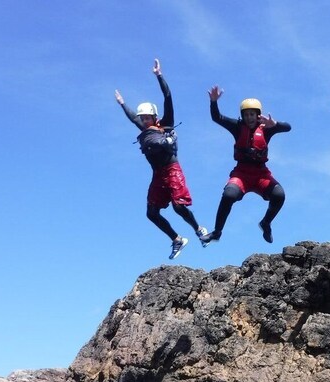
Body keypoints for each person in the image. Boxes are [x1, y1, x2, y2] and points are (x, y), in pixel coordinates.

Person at [115, 59, 208, 260]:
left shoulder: (165, 124)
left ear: (154, 117)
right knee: (151, 213)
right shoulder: (145, 130)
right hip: (157, 174)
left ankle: (198, 229)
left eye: (148, 118)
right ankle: (176, 239)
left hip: (172, 169)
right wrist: (123, 104)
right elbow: (133, 118)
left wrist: (159, 75)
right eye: (143, 119)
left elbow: (167, 97)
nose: (144, 121)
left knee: (178, 206)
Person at [200, 86, 291, 245]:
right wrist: (213, 102)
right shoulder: (237, 127)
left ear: (258, 115)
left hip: (261, 174)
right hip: (241, 174)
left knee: (279, 195)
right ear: (242, 116)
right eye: (247, 114)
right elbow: (217, 117)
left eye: (253, 114)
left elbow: (288, 127)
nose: (250, 118)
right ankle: (217, 232)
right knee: (228, 196)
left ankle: (266, 223)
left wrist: (275, 124)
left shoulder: (267, 129)